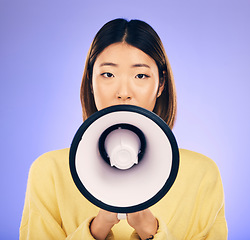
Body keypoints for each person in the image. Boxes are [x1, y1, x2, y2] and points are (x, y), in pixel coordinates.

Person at [20, 18, 228, 239]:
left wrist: (150, 231)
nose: (123, 92)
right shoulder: (49, 172)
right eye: (108, 74)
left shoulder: (201, 175)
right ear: (91, 81)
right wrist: (97, 229)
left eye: (141, 75)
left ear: (161, 85)